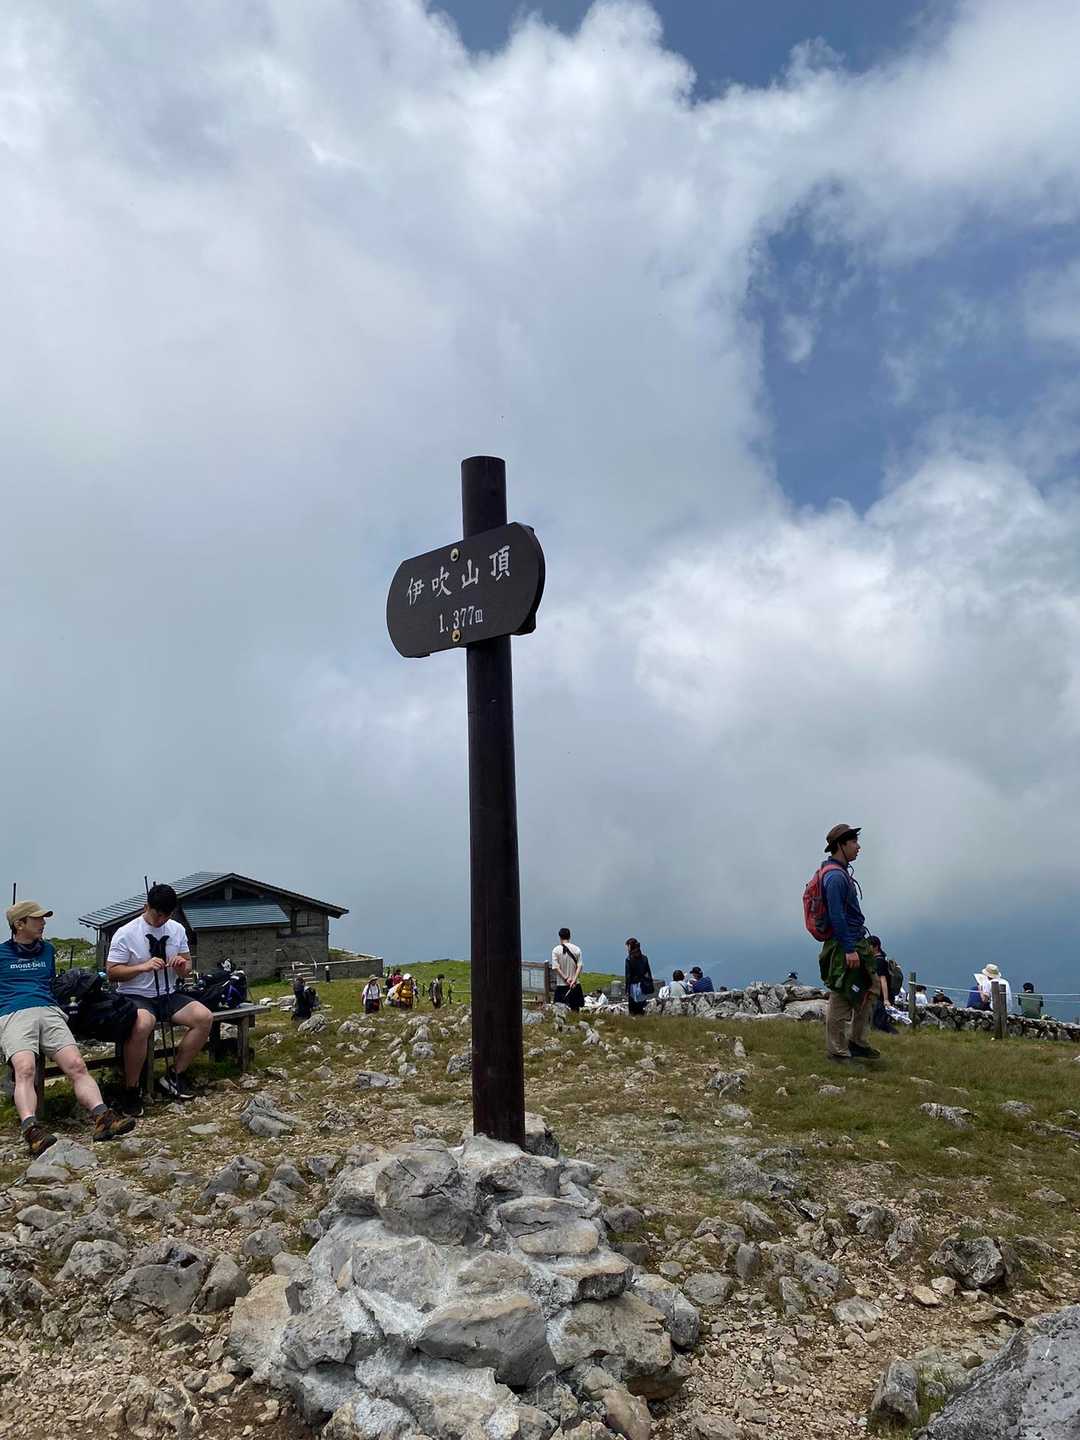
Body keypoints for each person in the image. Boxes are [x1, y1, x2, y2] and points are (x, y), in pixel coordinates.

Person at [1, 899, 134, 1154]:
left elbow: (50, 984)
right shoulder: (1, 954)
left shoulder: (48, 950)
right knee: (25, 1068)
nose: (43, 923)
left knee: (76, 1064)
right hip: (14, 1013)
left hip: (49, 1010)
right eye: (37, 919)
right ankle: (31, 1129)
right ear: (19, 924)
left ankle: (102, 1116)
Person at [107, 883, 213, 1111]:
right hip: (134, 995)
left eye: (166, 916)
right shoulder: (125, 933)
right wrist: (142, 967)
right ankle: (131, 1088)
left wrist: (182, 966)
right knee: (143, 1024)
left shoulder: (177, 929)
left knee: (204, 1017)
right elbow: (112, 972)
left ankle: (174, 1075)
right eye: (157, 915)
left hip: (168, 992)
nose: (160, 920)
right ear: (146, 907)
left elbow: (187, 968)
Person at [815, 824, 880, 1063]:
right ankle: (837, 1052)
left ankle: (857, 1042)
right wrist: (849, 949)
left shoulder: (838, 873)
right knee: (842, 995)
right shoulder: (835, 877)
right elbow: (837, 916)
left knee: (870, 988)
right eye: (853, 842)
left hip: (853, 940)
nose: (858, 847)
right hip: (846, 943)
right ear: (841, 845)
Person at [550, 929, 584, 1010]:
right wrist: (573, 980)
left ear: (560, 937)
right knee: (575, 1011)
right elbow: (579, 966)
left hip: (561, 985)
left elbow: (556, 967)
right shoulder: (577, 949)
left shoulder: (556, 950)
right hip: (575, 985)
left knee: (560, 1011)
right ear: (570, 936)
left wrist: (566, 979)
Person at [624, 938, 654, 1017]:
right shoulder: (644, 958)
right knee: (641, 1009)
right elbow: (648, 973)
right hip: (643, 986)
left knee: (633, 1010)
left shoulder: (629, 959)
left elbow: (628, 976)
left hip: (633, 987)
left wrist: (627, 989)